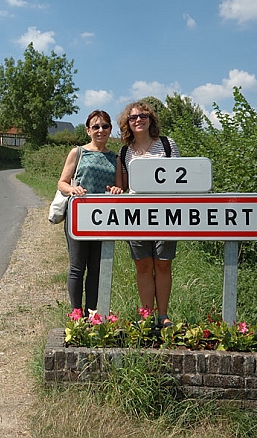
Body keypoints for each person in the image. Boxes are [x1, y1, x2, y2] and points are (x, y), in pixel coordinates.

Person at [115, 101, 180, 328]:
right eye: (133, 118)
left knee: (163, 264)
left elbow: (180, 180)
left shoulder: (167, 145)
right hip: (136, 216)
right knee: (143, 266)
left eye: (143, 116)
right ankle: (147, 316)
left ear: (151, 119)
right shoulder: (124, 151)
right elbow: (122, 186)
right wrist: (115, 190)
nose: (138, 120)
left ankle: (163, 316)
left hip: (166, 214)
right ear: (127, 123)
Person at [57, 110, 123, 314]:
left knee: (96, 269)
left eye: (104, 126)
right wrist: (72, 190)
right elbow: (62, 183)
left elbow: (120, 188)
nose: (100, 130)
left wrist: (116, 190)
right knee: (77, 268)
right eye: (96, 127)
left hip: (103, 219)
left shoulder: (116, 158)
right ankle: (76, 313)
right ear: (88, 131)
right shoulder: (78, 153)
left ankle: (92, 312)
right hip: (78, 217)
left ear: (110, 129)